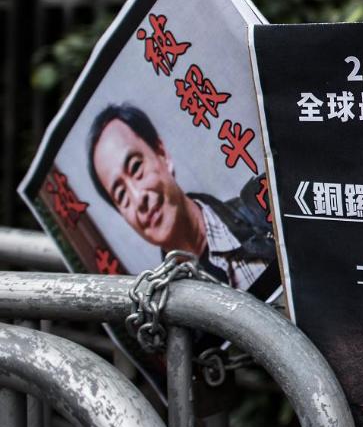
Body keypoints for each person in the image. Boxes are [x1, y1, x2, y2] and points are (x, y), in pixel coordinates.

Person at [87, 103, 273, 289]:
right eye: (121, 195)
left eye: (136, 167)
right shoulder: (164, 310)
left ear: (162, 154)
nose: (138, 198)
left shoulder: (263, 207)